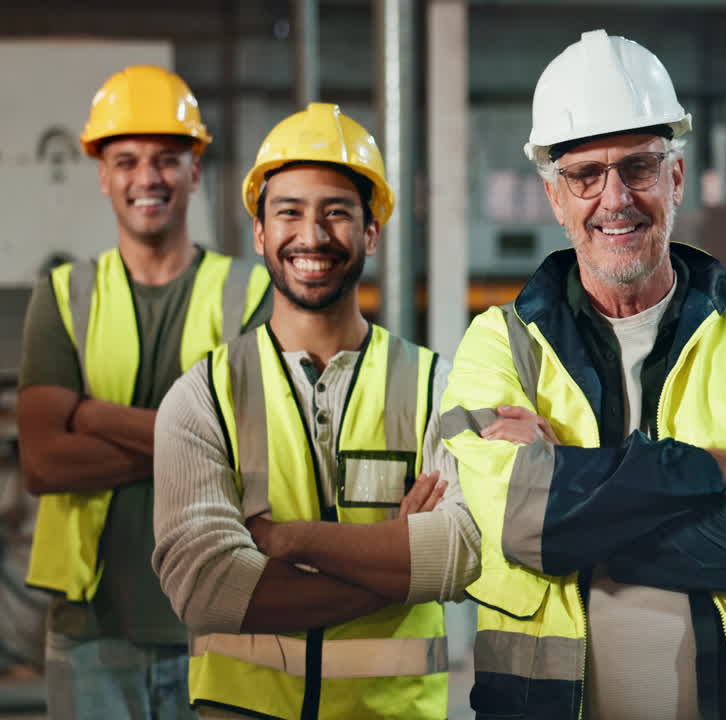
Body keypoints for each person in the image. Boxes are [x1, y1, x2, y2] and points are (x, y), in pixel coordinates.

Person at [440, 29, 726, 719]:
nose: (615, 199)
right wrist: (715, 472)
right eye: (585, 176)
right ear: (554, 195)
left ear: (676, 178)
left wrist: (575, 489)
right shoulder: (500, 345)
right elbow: (522, 525)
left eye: (638, 167)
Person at [151, 102, 480, 720]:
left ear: (371, 232)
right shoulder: (205, 395)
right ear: (259, 231)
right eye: (290, 212)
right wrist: (395, 557)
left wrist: (286, 540)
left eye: (337, 212)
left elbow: (461, 555)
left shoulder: (439, 386)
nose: (312, 235)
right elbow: (205, 587)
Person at [16, 65, 271, 719]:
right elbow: (44, 465)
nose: (147, 177)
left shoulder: (249, 294)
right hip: (91, 631)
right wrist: (195, 443)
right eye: (126, 160)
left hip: (223, 621)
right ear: (103, 175)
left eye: (167, 159)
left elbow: (256, 453)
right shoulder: (64, 297)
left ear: (195, 169)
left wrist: (91, 415)